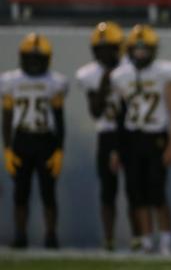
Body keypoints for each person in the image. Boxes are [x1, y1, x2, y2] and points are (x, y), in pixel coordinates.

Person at [108, 25, 171, 254]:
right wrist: (115, 148)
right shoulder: (120, 75)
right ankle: (147, 239)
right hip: (131, 137)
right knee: (136, 192)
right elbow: (118, 115)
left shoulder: (164, 73)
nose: (140, 53)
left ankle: (167, 240)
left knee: (157, 192)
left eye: (145, 49)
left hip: (156, 136)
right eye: (136, 49)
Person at [1, 33, 68, 249]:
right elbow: (7, 116)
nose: (33, 63)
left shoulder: (54, 82)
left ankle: (51, 235)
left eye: (37, 59)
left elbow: (59, 118)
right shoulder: (11, 81)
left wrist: (59, 148)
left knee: (48, 192)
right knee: (21, 192)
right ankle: (20, 235)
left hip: (45, 139)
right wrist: (8, 147)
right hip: (22, 138)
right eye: (29, 58)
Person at [75, 22, 128, 250]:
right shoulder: (89, 74)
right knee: (108, 190)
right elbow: (95, 111)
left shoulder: (130, 69)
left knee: (138, 189)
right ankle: (109, 238)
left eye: (110, 48)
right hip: (106, 133)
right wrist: (106, 83)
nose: (105, 53)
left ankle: (141, 238)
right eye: (101, 48)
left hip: (131, 132)